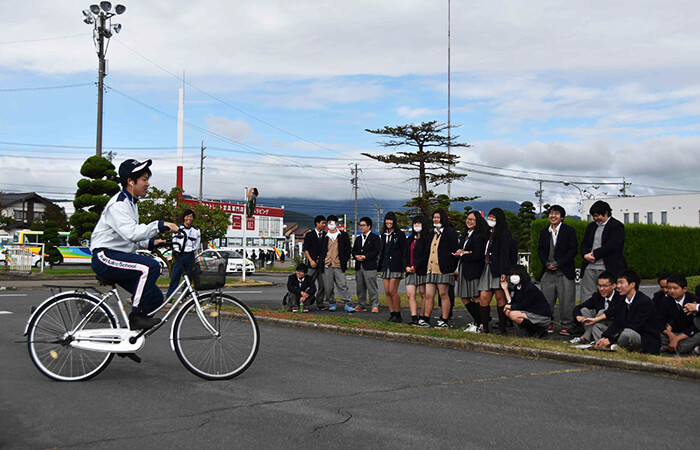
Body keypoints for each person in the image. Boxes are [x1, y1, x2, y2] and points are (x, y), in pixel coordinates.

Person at [90, 159, 179, 332]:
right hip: (105, 256)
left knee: (154, 298)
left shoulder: (131, 203)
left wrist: (153, 242)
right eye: (144, 179)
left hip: (117, 255)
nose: (148, 183)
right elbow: (131, 233)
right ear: (131, 181)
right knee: (150, 267)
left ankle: (127, 338)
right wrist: (159, 225)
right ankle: (136, 316)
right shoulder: (119, 204)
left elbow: (130, 238)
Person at [537, 205, 578, 336]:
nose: (553, 216)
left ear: (562, 217)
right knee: (546, 300)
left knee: (567, 301)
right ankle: (547, 322)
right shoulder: (544, 232)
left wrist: (559, 263)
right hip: (548, 271)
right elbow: (540, 250)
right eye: (550, 213)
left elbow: (573, 250)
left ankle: (566, 325)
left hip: (564, 271)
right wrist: (546, 263)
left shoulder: (569, 231)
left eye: (556, 213)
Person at [595, 269, 660, 354]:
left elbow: (633, 326)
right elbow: (617, 323)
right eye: (618, 283)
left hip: (643, 337)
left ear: (632, 284)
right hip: (623, 333)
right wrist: (605, 337)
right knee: (597, 327)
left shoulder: (644, 301)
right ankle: (603, 344)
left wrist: (610, 338)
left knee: (627, 333)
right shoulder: (623, 300)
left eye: (621, 283)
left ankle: (615, 347)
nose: (618, 286)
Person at [580, 200, 627, 303]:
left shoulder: (617, 226)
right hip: (590, 267)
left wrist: (595, 254)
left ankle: (606, 317)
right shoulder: (591, 226)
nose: (595, 218)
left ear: (606, 213)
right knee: (587, 295)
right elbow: (584, 244)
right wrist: (585, 255)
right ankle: (587, 316)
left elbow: (613, 245)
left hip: (608, 267)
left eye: (597, 215)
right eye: (593, 216)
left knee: (608, 296)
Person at [477, 208, 513, 334]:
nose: (491, 219)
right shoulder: (488, 234)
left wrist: (503, 272)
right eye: (490, 217)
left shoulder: (504, 234)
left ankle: (503, 328)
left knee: (500, 299)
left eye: (494, 217)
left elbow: (505, 254)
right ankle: (485, 327)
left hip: (498, 270)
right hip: (486, 268)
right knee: (484, 298)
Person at [423, 209, 459, 328]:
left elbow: (455, 251)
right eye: (434, 218)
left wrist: (453, 267)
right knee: (429, 295)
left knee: (444, 294)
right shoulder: (432, 233)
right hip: (431, 268)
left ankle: (444, 319)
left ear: (443, 218)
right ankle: (426, 318)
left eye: (438, 218)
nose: (435, 220)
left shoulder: (450, 232)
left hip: (444, 269)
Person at [455, 211, 487, 333]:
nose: (469, 221)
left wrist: (464, 254)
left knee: (475, 296)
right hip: (464, 268)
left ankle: (481, 322)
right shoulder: (465, 234)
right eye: (468, 218)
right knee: (464, 296)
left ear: (477, 222)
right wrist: (462, 253)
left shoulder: (479, 236)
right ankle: (479, 319)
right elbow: (465, 250)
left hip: (474, 269)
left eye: (472, 219)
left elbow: (478, 254)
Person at [569, 271, 622, 344]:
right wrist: (578, 316)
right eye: (599, 286)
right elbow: (578, 307)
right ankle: (591, 337)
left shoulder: (620, 297)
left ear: (613, 286)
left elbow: (613, 313)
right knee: (584, 310)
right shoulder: (597, 296)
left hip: (613, 327)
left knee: (601, 312)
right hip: (597, 325)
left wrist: (597, 318)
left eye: (605, 286)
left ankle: (585, 337)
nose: (602, 289)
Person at [502, 264, 552, 338]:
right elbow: (513, 302)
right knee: (508, 311)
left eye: (516, 274)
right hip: (530, 313)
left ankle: (538, 330)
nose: (513, 276)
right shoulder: (517, 288)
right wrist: (505, 289)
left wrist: (510, 306)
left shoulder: (529, 288)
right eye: (512, 274)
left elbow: (523, 305)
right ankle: (531, 331)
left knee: (513, 314)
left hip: (541, 316)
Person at [318, 215, 355, 313]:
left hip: (338, 264)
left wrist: (345, 259)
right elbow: (321, 250)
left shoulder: (343, 235)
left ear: (337, 224)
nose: (331, 224)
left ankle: (348, 303)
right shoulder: (324, 236)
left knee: (342, 285)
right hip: (327, 264)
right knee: (328, 286)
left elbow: (348, 249)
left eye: (333, 222)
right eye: (329, 222)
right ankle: (332, 303)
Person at [659, 274, 700, 354]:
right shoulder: (666, 301)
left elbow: (695, 326)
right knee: (654, 335)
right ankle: (669, 347)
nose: (672, 291)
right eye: (669, 288)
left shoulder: (694, 300)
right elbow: (660, 321)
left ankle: (668, 347)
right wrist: (670, 334)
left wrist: (677, 339)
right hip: (674, 332)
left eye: (675, 288)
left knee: (689, 342)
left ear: (684, 289)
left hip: (688, 334)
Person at [165, 209, 201, 298]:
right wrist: (177, 251)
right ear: (184, 217)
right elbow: (174, 240)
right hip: (180, 255)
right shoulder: (178, 229)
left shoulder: (196, 230)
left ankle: (185, 296)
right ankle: (170, 296)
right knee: (175, 276)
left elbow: (197, 244)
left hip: (190, 255)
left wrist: (193, 253)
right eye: (187, 216)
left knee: (189, 277)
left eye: (191, 217)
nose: (189, 218)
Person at [377, 212, 406, 322]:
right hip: (385, 265)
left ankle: (398, 314)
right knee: (387, 292)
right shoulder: (384, 234)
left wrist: (404, 265)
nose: (389, 222)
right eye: (387, 220)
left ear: (394, 221)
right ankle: (392, 313)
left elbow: (403, 250)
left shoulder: (399, 234)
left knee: (393, 290)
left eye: (391, 220)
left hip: (396, 266)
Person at [403, 215, 430, 326]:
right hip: (409, 271)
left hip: (421, 270)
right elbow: (404, 254)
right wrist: (406, 266)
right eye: (415, 224)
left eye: (419, 224)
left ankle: (422, 316)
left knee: (423, 294)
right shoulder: (409, 239)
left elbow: (426, 255)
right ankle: (414, 317)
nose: (416, 226)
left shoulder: (426, 239)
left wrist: (416, 266)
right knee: (410, 294)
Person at [352, 216, 381, 312]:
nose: (361, 227)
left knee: (371, 286)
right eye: (360, 225)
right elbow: (354, 250)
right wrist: (356, 256)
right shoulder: (358, 238)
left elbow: (376, 250)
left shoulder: (375, 237)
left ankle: (374, 304)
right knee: (360, 286)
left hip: (370, 266)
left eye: (363, 225)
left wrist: (366, 257)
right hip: (359, 266)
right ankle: (361, 304)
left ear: (369, 226)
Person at [303, 215, 326, 309]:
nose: (324, 225)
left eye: (325, 223)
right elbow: (305, 249)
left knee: (323, 284)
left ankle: (320, 302)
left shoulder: (326, 236)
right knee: (308, 283)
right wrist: (311, 260)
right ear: (317, 223)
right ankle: (305, 301)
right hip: (311, 264)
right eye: (323, 223)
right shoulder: (309, 235)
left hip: (322, 265)